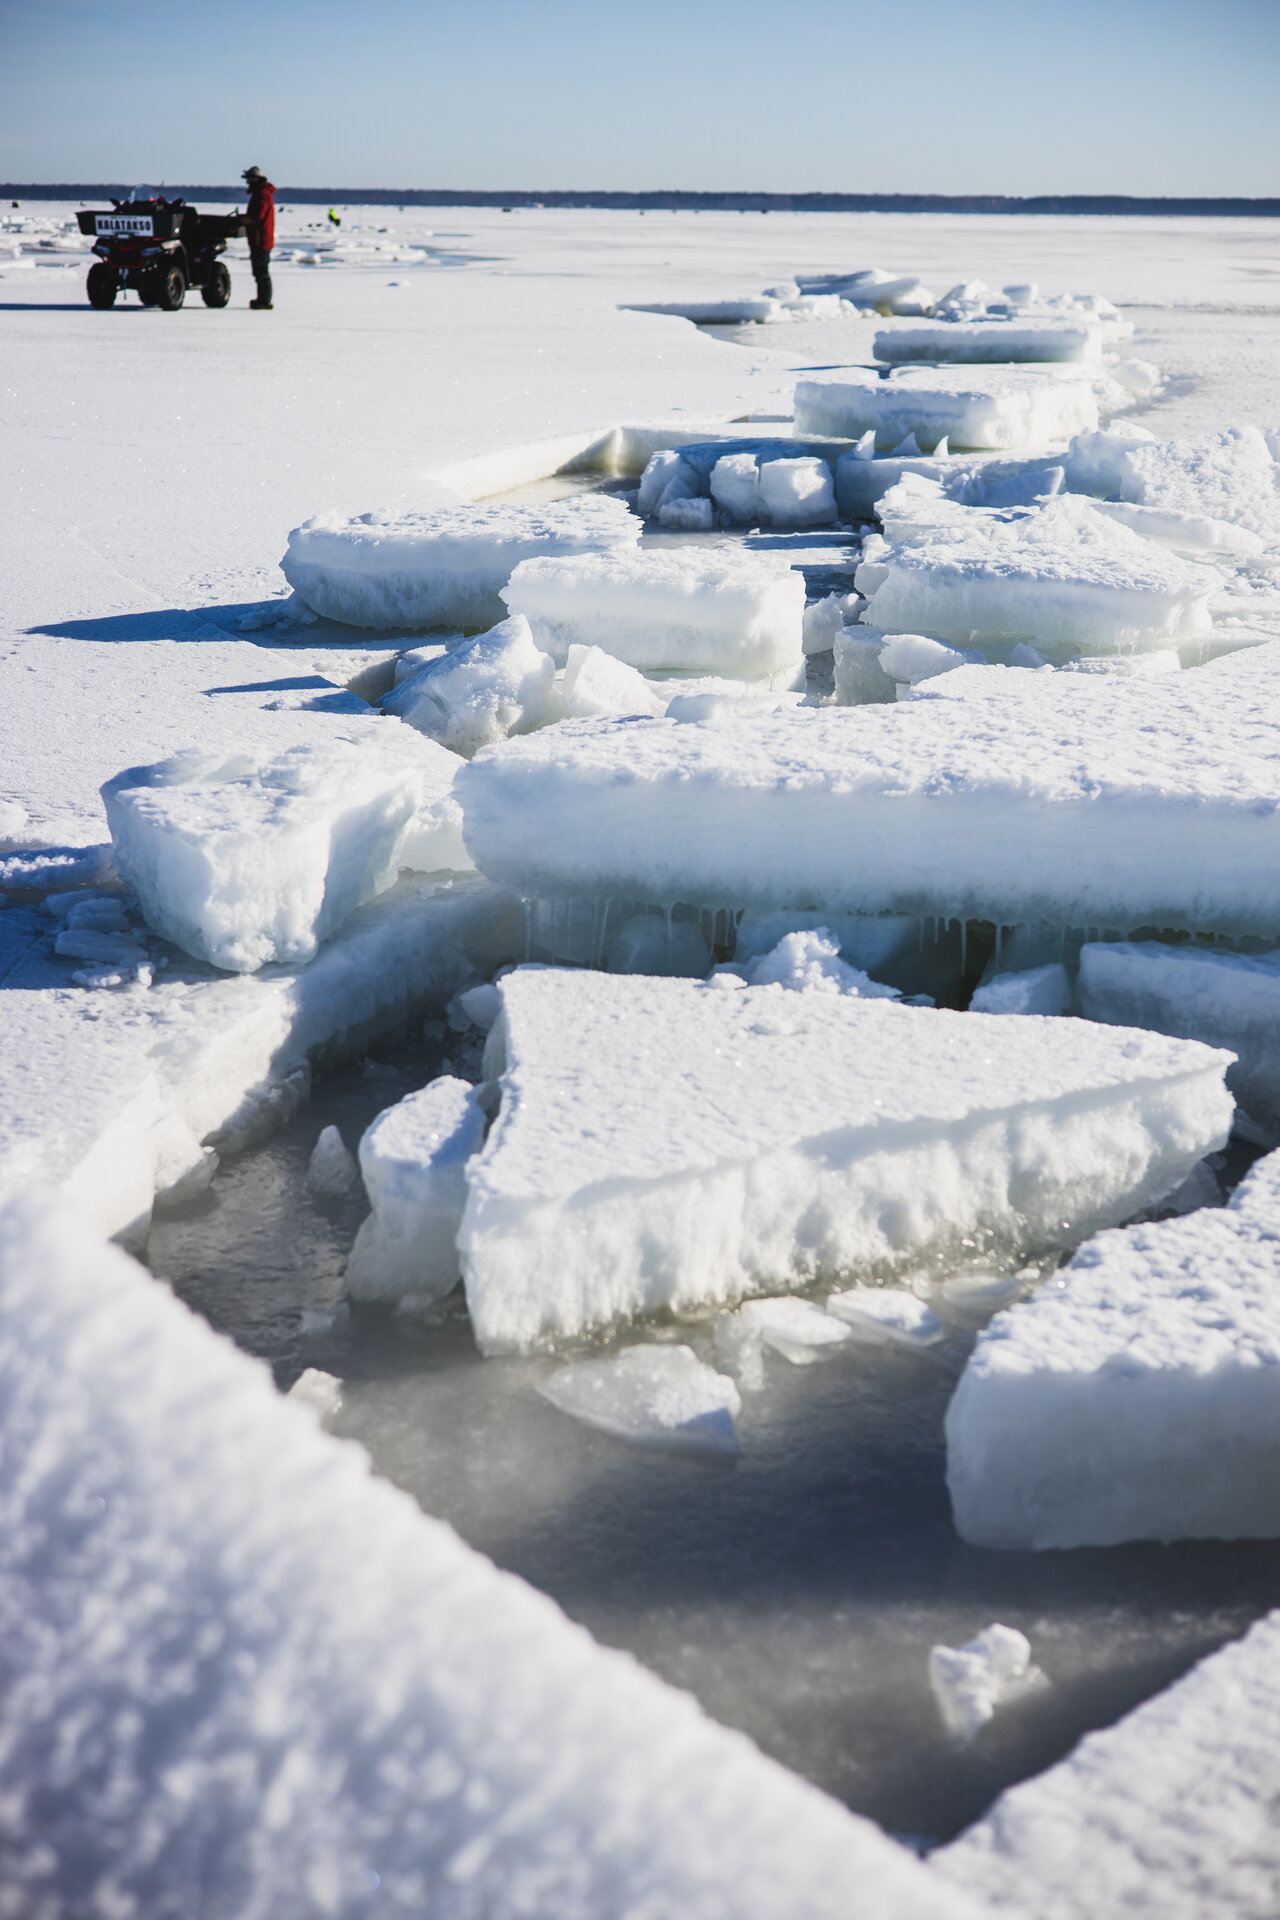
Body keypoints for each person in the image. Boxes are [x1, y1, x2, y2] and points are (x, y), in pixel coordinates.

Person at [240, 165, 275, 310]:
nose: (247, 183)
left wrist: (243, 220)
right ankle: (262, 299)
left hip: (261, 240)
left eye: (248, 180)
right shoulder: (261, 193)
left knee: (261, 271)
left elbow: (257, 216)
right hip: (259, 239)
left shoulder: (262, 194)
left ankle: (264, 300)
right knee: (260, 271)